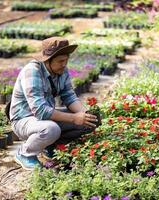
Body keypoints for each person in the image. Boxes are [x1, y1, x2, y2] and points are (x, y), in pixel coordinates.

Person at [10, 37, 98, 170]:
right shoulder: (32, 71)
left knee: (92, 119)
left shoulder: (61, 70)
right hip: (24, 120)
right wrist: (74, 118)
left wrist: (83, 113)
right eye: (60, 61)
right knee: (51, 129)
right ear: (47, 60)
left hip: (44, 119)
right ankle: (25, 153)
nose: (64, 64)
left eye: (66, 60)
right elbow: (41, 111)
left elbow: (69, 96)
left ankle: (50, 147)